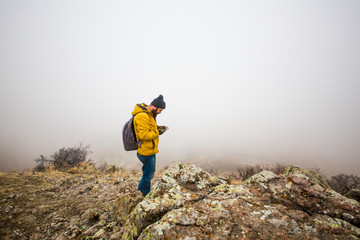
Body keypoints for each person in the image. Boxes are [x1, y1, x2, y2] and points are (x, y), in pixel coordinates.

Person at [131, 95, 168, 196]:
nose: (160, 113)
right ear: (154, 107)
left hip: (149, 149)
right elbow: (144, 135)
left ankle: (141, 191)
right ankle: (145, 194)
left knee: (147, 173)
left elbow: (149, 128)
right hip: (146, 151)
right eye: (160, 110)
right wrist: (157, 131)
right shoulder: (142, 116)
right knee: (148, 175)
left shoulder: (148, 114)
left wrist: (160, 128)